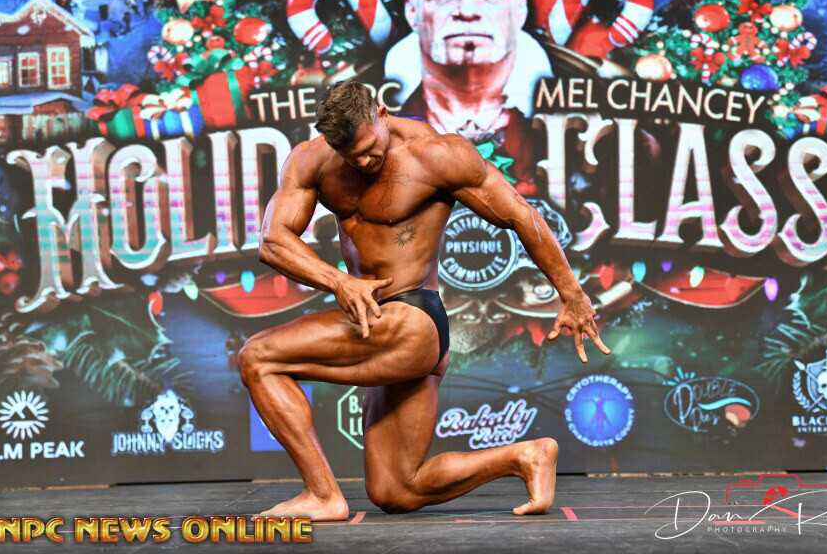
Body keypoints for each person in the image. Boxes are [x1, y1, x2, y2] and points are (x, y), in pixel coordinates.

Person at [238, 79, 609, 521]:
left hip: (412, 318)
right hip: (381, 325)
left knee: (257, 357)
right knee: (396, 489)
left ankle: (321, 494)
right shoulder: (312, 158)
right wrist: (339, 282)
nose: (362, 161)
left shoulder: (437, 154)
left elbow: (520, 215)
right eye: (349, 155)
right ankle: (524, 457)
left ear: (381, 112)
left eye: (368, 148)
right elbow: (273, 241)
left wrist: (572, 293)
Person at [383, 0, 553, 194]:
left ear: (519, 10)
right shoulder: (384, 121)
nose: (468, 11)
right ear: (413, 12)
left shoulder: (555, 117)